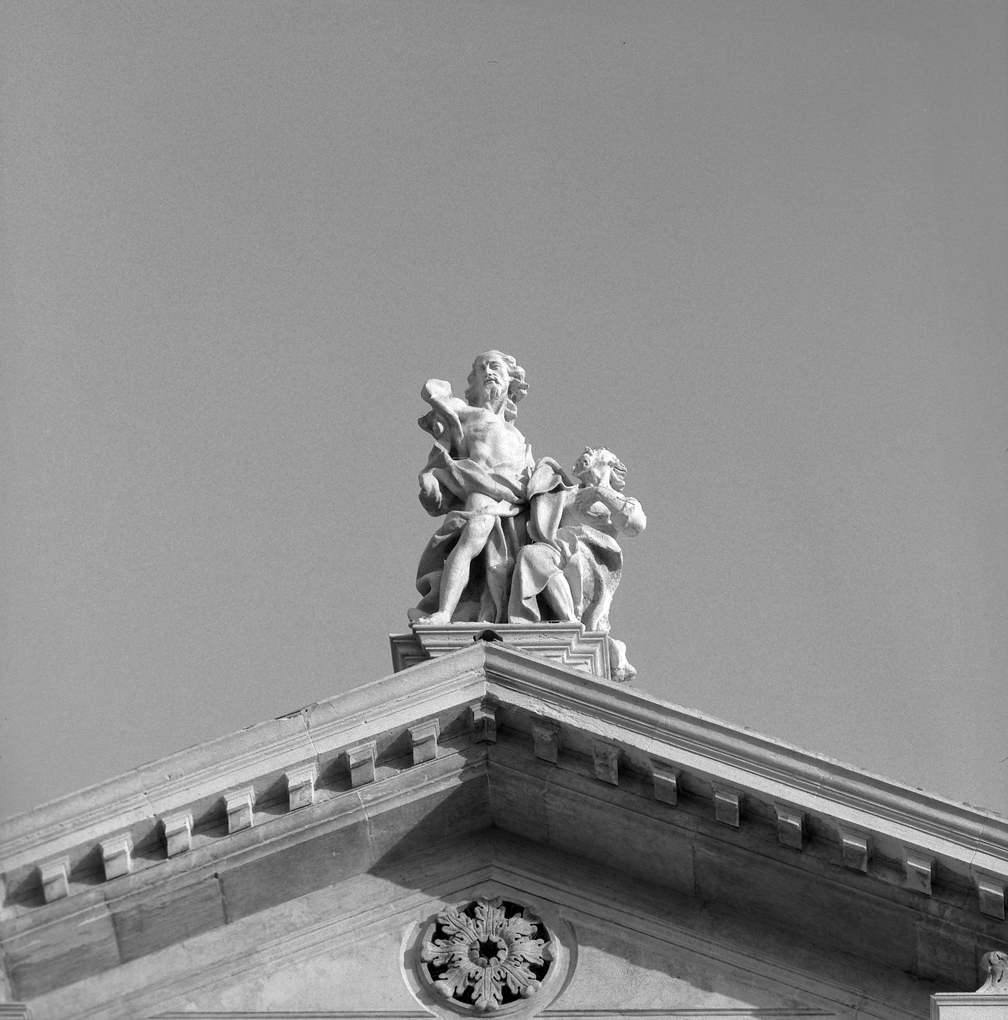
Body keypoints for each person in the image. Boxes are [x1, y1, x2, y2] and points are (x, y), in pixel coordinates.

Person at [411, 351, 535, 625]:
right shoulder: (469, 413)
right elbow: (433, 393)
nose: (489, 372)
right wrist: (438, 397)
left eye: (495, 368)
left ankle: (493, 613)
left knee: (505, 565)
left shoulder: (517, 436)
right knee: (472, 540)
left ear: (510, 382)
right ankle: (444, 611)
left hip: (516, 502)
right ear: (475, 381)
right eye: (482, 369)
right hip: (482, 490)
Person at [507, 447, 646, 681]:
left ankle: (585, 632)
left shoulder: (620, 500)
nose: (587, 452)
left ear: (611, 465)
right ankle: (569, 622)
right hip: (557, 550)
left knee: (576, 558)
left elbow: (634, 524)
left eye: (596, 453)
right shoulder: (566, 493)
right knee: (531, 555)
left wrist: (600, 493)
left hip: (592, 558)